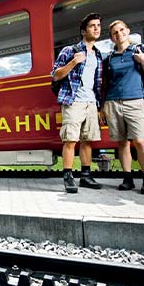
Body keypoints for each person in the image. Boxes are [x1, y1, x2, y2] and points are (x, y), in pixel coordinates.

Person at [102, 19, 144, 194]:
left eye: (121, 30)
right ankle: (128, 179)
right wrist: (103, 106)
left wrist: (143, 61)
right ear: (112, 38)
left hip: (134, 101)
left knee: (140, 141)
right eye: (115, 33)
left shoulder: (143, 49)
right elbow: (106, 84)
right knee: (122, 143)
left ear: (128, 30)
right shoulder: (109, 58)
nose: (119, 34)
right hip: (112, 102)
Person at [51, 12, 104, 193]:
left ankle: (86, 177)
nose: (96, 28)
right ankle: (68, 176)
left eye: (98, 25)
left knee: (87, 141)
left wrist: (98, 105)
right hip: (73, 101)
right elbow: (56, 75)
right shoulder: (69, 51)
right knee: (70, 140)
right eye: (92, 26)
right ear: (83, 31)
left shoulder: (98, 55)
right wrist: (74, 62)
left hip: (90, 102)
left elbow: (97, 83)